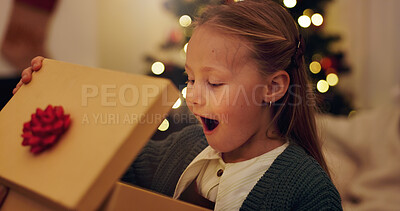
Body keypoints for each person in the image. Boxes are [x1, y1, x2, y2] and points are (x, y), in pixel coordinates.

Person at [12, 0, 342, 210]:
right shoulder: (180, 147)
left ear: (273, 87)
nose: (193, 95)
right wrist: (41, 98)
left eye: (213, 82)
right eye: (191, 78)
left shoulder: (309, 194)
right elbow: (100, 161)